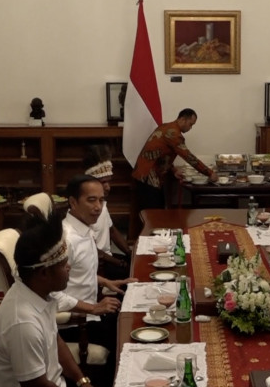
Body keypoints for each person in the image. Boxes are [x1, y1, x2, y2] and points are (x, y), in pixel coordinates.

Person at [0, 211, 93, 387]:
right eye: (63, 265)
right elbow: (36, 385)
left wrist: (82, 380)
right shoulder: (23, 323)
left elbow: (55, 340)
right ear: (44, 273)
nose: (69, 267)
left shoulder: (38, 293)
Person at [54, 174, 135, 379]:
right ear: (73, 202)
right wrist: (93, 308)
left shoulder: (84, 228)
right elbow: (50, 295)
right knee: (128, 336)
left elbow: (79, 274)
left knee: (134, 312)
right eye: (91, 200)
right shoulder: (65, 240)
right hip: (73, 322)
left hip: (90, 312)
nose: (98, 207)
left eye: (101, 200)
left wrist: (107, 281)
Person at [131, 108, 218, 209]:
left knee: (157, 210)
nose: (190, 128)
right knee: (153, 214)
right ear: (183, 119)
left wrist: (173, 170)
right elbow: (189, 157)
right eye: (190, 124)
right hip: (148, 178)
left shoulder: (165, 127)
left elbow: (161, 154)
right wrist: (210, 173)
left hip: (144, 175)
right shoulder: (173, 134)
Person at [83, 144, 132, 280]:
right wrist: (120, 263)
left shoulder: (102, 204)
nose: (108, 187)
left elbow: (112, 231)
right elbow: (93, 250)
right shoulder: (85, 211)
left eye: (108, 182)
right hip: (97, 265)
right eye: (103, 182)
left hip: (107, 257)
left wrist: (129, 253)